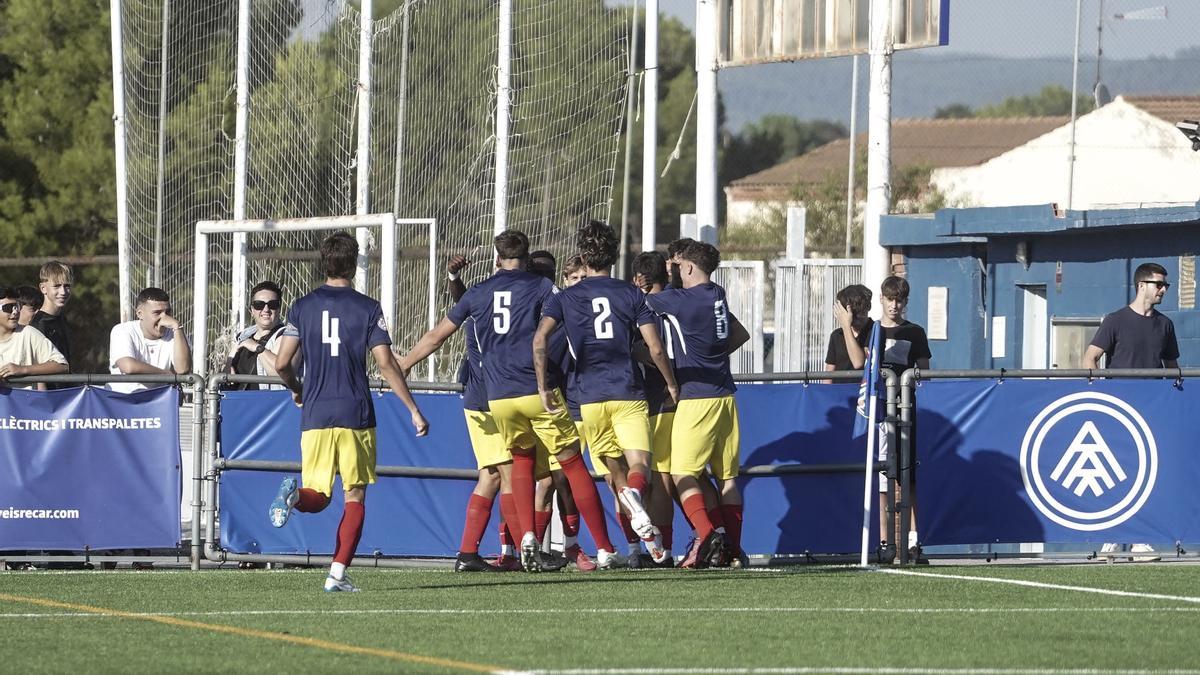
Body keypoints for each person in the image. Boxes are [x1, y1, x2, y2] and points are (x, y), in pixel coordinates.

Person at [403, 229, 619, 572]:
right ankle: (604, 547)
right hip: (536, 389)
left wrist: (401, 365)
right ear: (527, 255)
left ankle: (527, 540)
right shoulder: (542, 288)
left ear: (495, 256)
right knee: (572, 465)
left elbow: (435, 337)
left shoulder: (479, 292)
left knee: (516, 463)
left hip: (498, 397)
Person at [269, 232, 430, 592]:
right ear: (355, 263)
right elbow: (386, 364)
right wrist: (413, 409)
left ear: (323, 262)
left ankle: (293, 497)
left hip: (315, 414)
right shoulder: (368, 307)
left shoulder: (301, 307)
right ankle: (337, 575)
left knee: (318, 496)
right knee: (354, 495)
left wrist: (299, 390)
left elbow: (281, 363)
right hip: (355, 412)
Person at [534, 222, 677, 565]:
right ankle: (634, 501)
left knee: (615, 471)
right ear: (615, 256)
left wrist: (542, 387)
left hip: (589, 398)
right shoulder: (631, 294)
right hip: (627, 391)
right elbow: (655, 348)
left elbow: (539, 340)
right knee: (640, 464)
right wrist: (671, 382)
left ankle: (634, 526)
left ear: (583, 257)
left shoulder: (566, 297)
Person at [645, 240, 750, 568]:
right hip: (725, 398)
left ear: (688, 268)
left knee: (681, 474)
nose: (671, 270)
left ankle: (707, 534)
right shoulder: (716, 293)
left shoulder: (681, 301)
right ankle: (733, 550)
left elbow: (636, 302)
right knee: (727, 478)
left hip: (697, 398)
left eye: (674, 265)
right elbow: (738, 335)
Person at [1082, 261, 1177, 562]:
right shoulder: (1115, 320)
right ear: (1141, 285)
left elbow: (1172, 368)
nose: (1163, 289)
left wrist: (1170, 398)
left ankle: (1139, 541)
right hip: (1118, 410)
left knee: (1146, 473)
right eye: (1158, 284)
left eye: (1166, 285)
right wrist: (1102, 392)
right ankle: (1111, 538)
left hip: (1152, 412)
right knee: (1116, 472)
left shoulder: (1165, 325)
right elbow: (1090, 358)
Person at [437, 251, 519, 573]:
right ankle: (521, 550)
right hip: (492, 397)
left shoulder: (501, 301)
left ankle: (469, 553)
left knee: (493, 475)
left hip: (493, 396)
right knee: (512, 473)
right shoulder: (489, 301)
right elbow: (463, 305)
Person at [877, 275, 931, 564]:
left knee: (908, 476)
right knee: (881, 477)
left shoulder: (915, 332)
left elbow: (925, 369)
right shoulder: (872, 331)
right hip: (877, 413)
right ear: (882, 300)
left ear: (905, 302)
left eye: (899, 300)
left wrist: (910, 380)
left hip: (905, 411)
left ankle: (913, 541)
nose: (894, 305)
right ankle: (884, 542)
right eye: (890, 299)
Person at [630, 250, 678, 567]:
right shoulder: (685, 299)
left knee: (659, 476)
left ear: (640, 279)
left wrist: (639, 352)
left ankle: (662, 549)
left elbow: (650, 350)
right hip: (692, 393)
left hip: (659, 396)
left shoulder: (643, 307)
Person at [108, 287, 192, 394]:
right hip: (124, 401)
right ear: (140, 314)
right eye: (157, 313)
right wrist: (168, 375)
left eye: (168, 312)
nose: (164, 318)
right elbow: (128, 367)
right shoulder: (122, 330)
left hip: (159, 402)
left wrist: (177, 326)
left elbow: (183, 369)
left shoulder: (176, 332)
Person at [0, 286, 68, 390]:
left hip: (26, 403)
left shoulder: (29, 333)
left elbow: (62, 365)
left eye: (17, 306)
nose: (15, 312)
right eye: (8, 308)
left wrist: (22, 370)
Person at [226, 281, 289, 390]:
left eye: (272, 304)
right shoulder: (243, 337)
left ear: (279, 309)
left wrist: (257, 348)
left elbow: (281, 373)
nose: (266, 310)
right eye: (259, 304)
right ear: (251, 310)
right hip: (237, 403)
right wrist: (228, 366)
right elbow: (227, 371)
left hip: (268, 404)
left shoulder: (285, 336)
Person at [30, 261, 73, 370]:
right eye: (57, 286)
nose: (63, 292)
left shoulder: (62, 319)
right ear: (43, 288)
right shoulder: (38, 325)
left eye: (67, 286)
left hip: (67, 385)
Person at [824, 284, 874, 375]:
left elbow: (858, 363)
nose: (856, 317)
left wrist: (846, 326)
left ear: (868, 307)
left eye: (860, 312)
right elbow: (829, 372)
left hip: (863, 388)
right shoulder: (836, 335)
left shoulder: (875, 331)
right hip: (840, 388)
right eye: (853, 313)